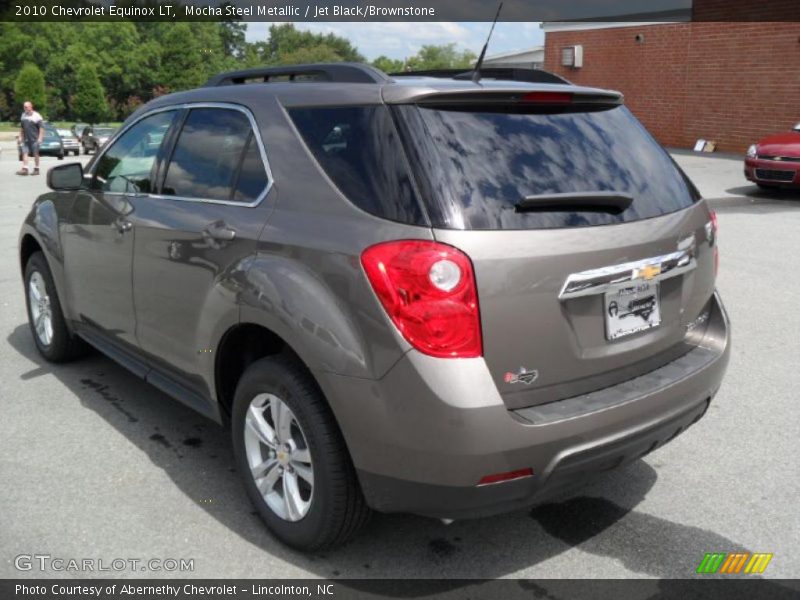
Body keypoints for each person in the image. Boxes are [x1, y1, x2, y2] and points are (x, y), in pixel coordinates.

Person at [17, 101, 44, 176]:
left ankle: (36, 169)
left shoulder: (37, 116)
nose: (25, 108)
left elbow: (41, 128)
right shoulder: (23, 115)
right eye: (24, 107)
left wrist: (40, 138)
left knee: (36, 154)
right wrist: (20, 137)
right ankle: (25, 169)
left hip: (35, 139)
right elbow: (22, 128)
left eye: (26, 107)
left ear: (31, 107)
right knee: (25, 153)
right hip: (26, 139)